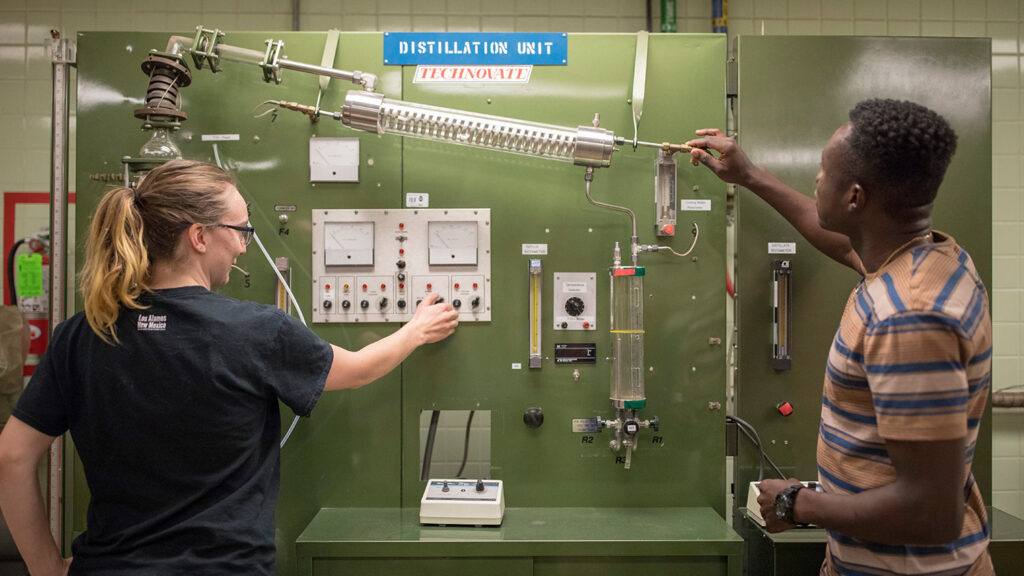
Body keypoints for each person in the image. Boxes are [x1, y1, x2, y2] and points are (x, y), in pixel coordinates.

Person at [0, 159, 459, 575]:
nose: (243, 247)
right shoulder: (255, 331)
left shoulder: (84, 333)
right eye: (241, 231)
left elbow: (13, 456)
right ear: (199, 236)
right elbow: (357, 369)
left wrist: (44, 568)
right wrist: (415, 330)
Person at [687, 99, 992, 575]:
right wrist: (748, 175)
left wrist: (798, 504)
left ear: (855, 198)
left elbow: (931, 512)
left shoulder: (908, 318)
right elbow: (839, 239)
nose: (816, 179)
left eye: (824, 171)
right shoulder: (926, 259)